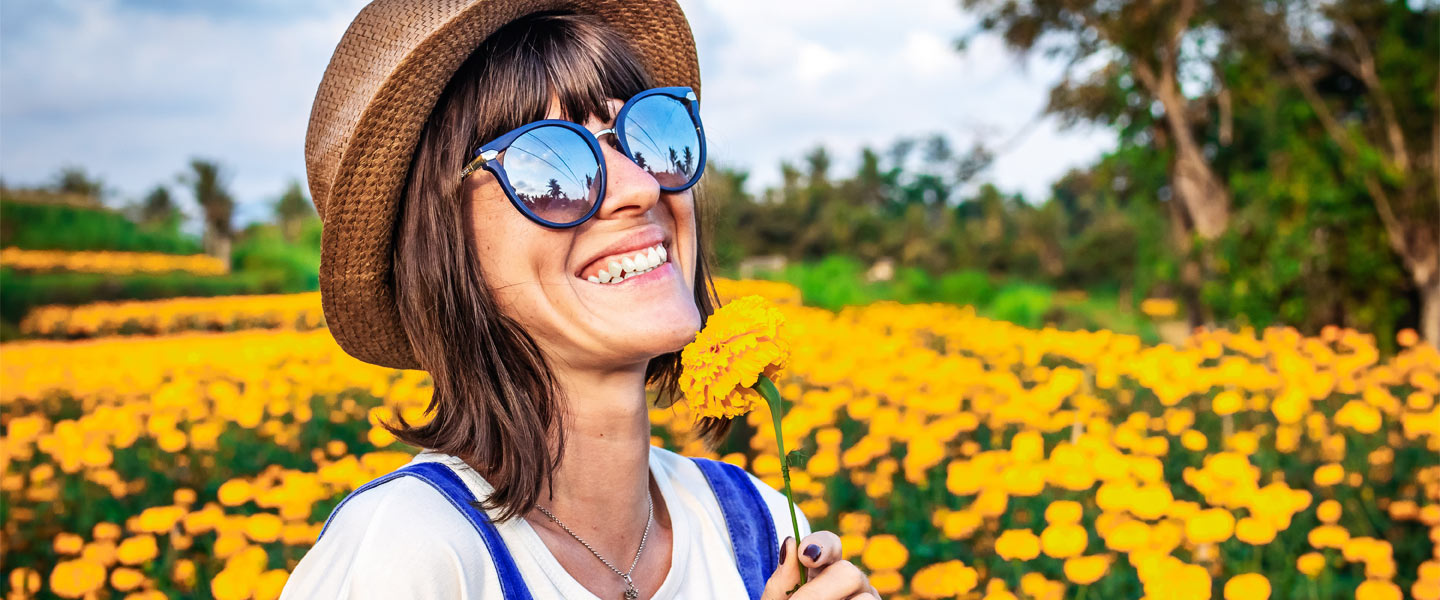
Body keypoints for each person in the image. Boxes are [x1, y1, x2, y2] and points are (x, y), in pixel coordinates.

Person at [281, 1, 881, 599]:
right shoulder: (413, 556)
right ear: (441, 244)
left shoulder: (763, 527)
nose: (642, 186)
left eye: (647, 137)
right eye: (554, 163)